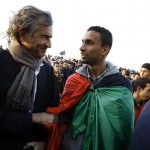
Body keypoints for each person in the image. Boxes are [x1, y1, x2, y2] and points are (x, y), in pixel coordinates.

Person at [45, 26, 134, 150]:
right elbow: (64, 116)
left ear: (105, 50)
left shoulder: (121, 85)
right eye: (82, 42)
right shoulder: (74, 80)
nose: (82, 48)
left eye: (89, 43)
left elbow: (122, 130)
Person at [0, 5, 60, 150]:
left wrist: (44, 143)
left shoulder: (47, 70)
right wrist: (33, 118)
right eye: (44, 37)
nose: (49, 44)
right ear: (23, 35)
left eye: (50, 37)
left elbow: (51, 113)